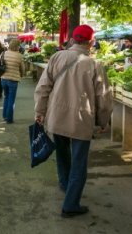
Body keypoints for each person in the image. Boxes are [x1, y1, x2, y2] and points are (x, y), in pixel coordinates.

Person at [34, 25, 113, 218]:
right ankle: (70, 204)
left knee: (62, 154)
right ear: (91, 42)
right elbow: (103, 97)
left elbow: (43, 86)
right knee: (79, 162)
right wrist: (103, 121)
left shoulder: (56, 57)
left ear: (73, 39)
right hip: (80, 119)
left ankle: (65, 184)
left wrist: (40, 111)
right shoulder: (94, 64)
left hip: (57, 116)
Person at [0, 39, 23, 124]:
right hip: (13, 80)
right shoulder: (19, 55)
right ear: (17, 46)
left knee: (6, 97)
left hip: (4, 79)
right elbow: (22, 68)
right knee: (11, 99)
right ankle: (9, 119)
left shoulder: (4, 53)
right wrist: (21, 75)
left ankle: (4, 116)